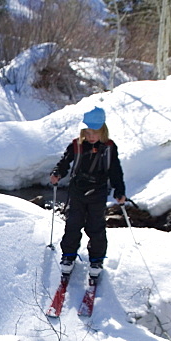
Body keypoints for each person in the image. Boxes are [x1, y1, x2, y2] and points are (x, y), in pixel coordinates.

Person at [49, 107, 126, 278]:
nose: (91, 136)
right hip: (77, 190)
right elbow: (64, 162)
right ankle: (68, 256)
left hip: (98, 192)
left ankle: (96, 259)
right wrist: (57, 173)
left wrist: (119, 190)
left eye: (95, 132)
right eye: (88, 132)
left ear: (103, 131)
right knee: (73, 224)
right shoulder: (76, 145)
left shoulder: (109, 148)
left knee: (96, 226)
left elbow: (115, 171)